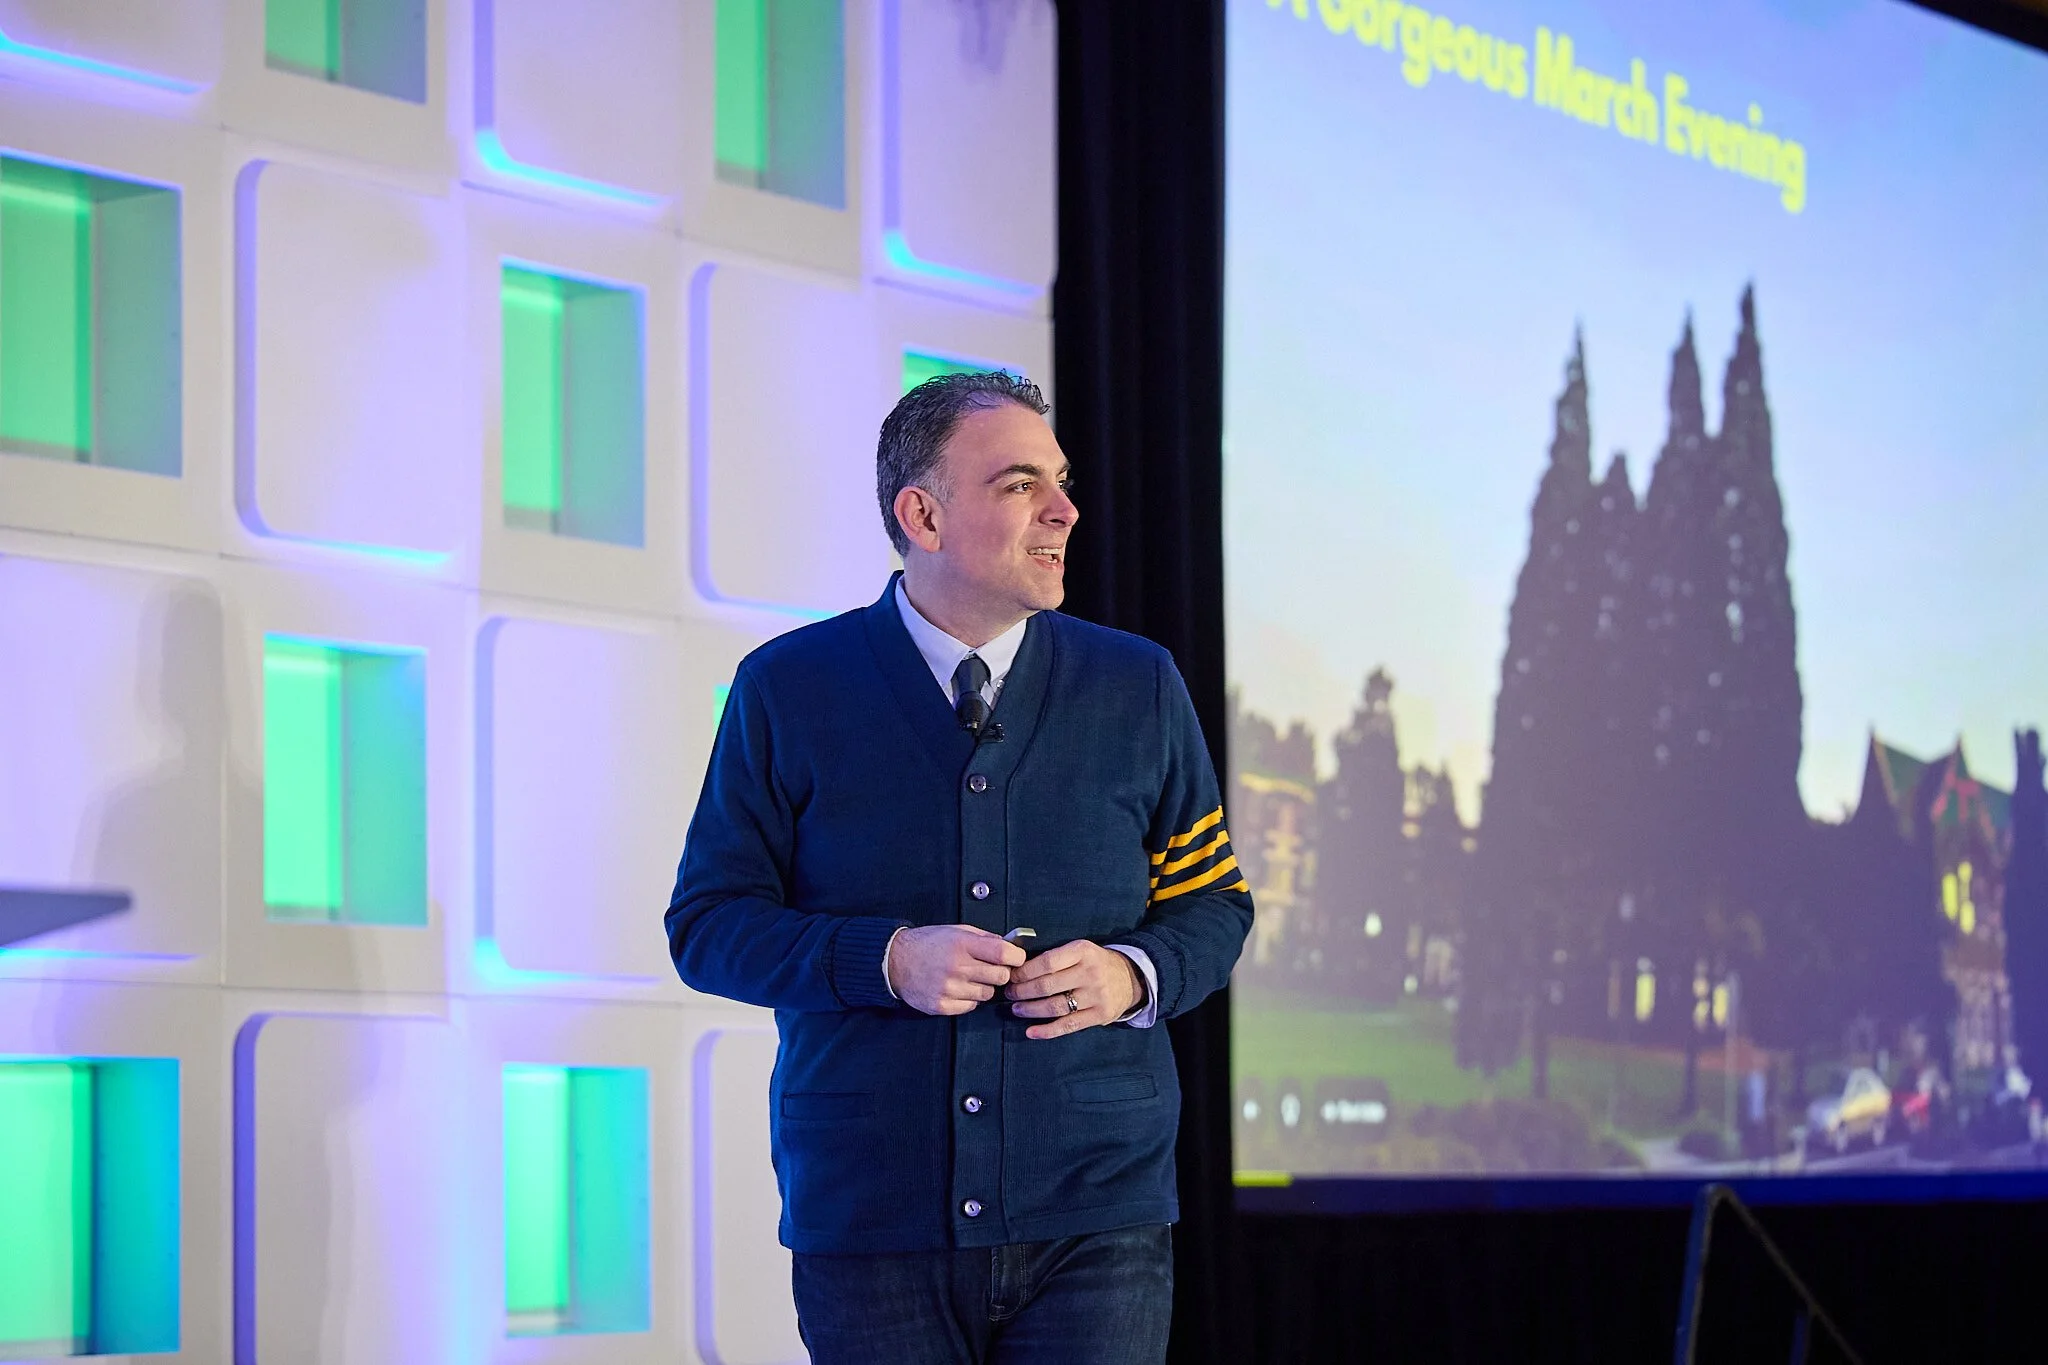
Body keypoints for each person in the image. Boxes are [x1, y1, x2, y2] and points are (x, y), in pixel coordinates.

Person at [665, 370, 1253, 1363]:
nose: (1065, 510)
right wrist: (886, 961)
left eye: (1059, 482)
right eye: (1020, 484)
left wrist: (1131, 975)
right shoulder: (788, 688)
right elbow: (710, 927)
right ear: (923, 514)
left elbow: (1214, 906)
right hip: (870, 1221)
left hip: (1095, 1220)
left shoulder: (1136, 684)